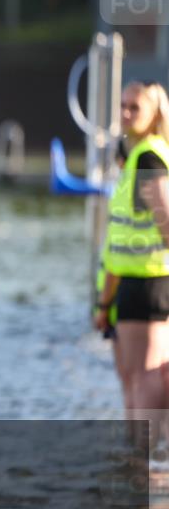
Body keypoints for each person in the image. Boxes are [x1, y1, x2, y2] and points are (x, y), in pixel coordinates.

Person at [95, 81, 169, 448]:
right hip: (128, 285)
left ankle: (151, 471)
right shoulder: (135, 158)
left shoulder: (150, 158)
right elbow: (117, 245)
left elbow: (167, 220)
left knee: (146, 379)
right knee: (132, 382)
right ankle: (140, 472)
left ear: (154, 113)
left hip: (150, 283)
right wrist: (104, 302)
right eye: (122, 105)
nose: (124, 113)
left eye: (133, 107)